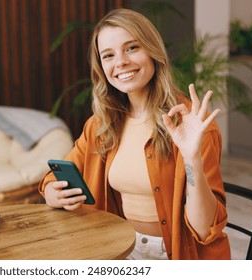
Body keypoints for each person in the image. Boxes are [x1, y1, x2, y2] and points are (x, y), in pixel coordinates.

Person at [38, 8, 231, 260]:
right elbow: (55, 175)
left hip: (179, 254)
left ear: (153, 51)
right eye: (108, 55)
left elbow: (204, 229)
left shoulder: (191, 125)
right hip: (120, 249)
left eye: (131, 48)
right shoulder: (101, 124)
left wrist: (191, 157)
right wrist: (53, 192)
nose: (120, 62)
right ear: (102, 67)